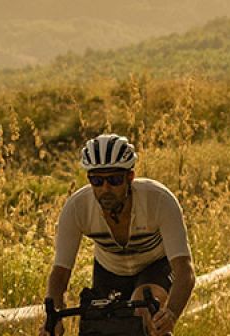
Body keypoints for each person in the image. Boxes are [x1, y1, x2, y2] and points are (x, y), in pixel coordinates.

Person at [42, 133, 194, 336]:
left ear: (130, 177)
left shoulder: (159, 200)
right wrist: (54, 317)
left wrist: (171, 315)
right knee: (102, 325)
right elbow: (60, 273)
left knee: (145, 311)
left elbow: (185, 270)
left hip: (155, 264)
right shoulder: (77, 207)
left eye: (114, 180)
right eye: (96, 180)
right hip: (110, 269)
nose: (105, 188)